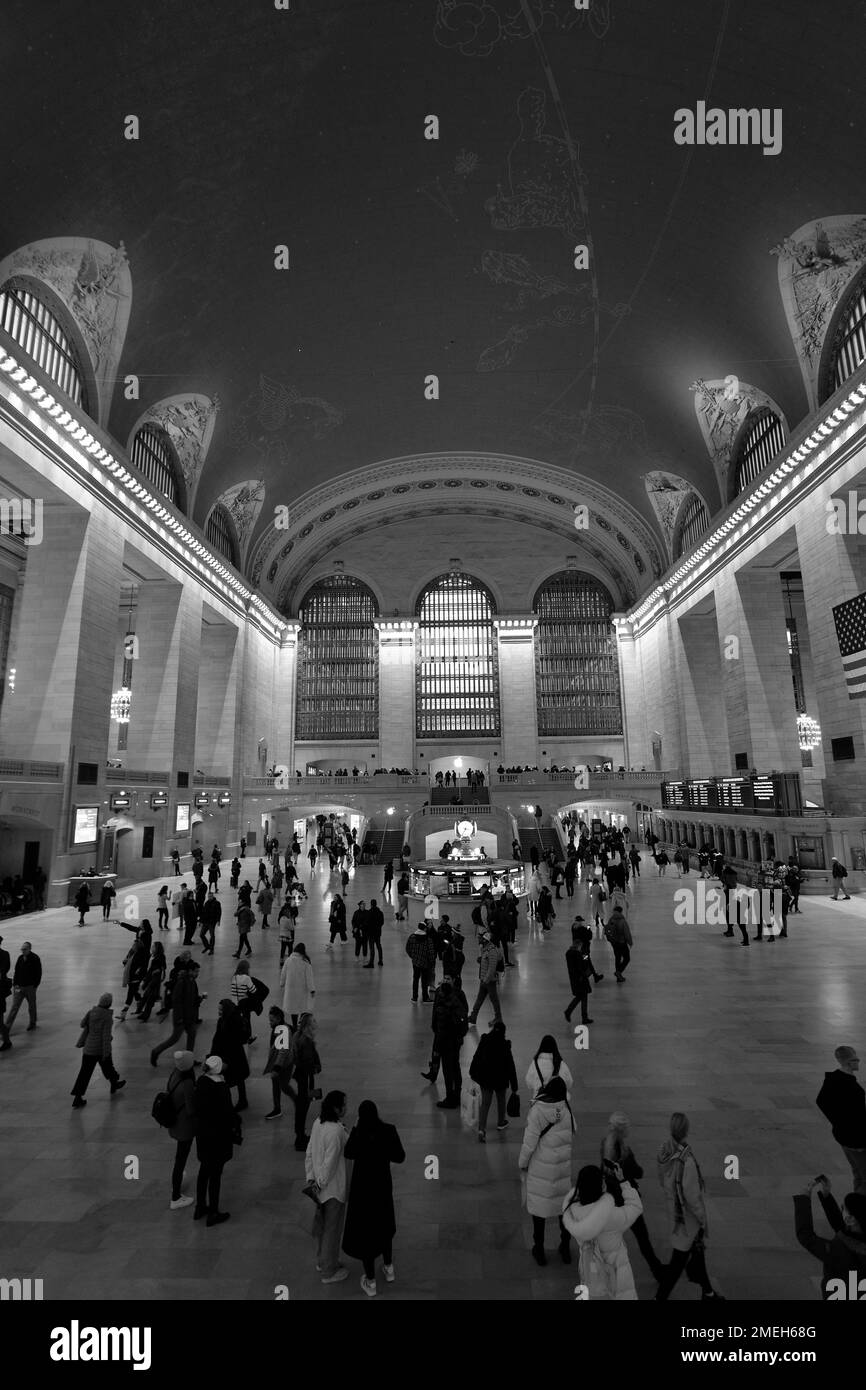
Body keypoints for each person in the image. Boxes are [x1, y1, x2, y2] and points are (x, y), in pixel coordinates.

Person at [656, 1112, 725, 1300]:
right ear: (686, 1131)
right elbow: (693, 1197)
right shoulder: (686, 1161)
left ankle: (708, 1293)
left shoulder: (665, 1151)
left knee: (697, 1254)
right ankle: (659, 1297)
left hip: (675, 1213)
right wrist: (702, 1219)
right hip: (687, 1220)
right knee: (678, 1263)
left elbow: (663, 1180)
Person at [342, 1100, 406, 1296]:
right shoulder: (388, 1130)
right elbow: (400, 1156)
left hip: (363, 1192)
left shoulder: (359, 1133)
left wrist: (354, 1129)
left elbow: (348, 1152)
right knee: (384, 1227)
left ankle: (370, 1281)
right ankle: (388, 1268)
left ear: (360, 1116)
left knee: (366, 1235)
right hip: (382, 1188)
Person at [561, 1163, 642, 1297]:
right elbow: (635, 1207)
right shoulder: (611, 1216)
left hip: (590, 1271)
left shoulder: (573, 1214)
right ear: (600, 1186)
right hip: (616, 1274)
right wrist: (623, 1182)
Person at [518, 1075, 575, 1264]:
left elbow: (529, 1143)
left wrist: (522, 1163)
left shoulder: (538, 1110)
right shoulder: (566, 1109)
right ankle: (565, 1248)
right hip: (561, 1170)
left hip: (541, 1169)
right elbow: (574, 1129)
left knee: (539, 1211)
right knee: (562, 1210)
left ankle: (539, 1250)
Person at [601, 1111, 664, 1281]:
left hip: (611, 1200)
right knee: (642, 1237)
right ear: (623, 1131)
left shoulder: (604, 1145)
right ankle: (657, 1269)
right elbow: (638, 1172)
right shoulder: (625, 1153)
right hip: (627, 1199)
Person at [793, 1175, 866, 1298]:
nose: (842, 1211)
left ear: (849, 1219)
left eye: (843, 1209)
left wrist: (803, 1200)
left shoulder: (838, 1250)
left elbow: (806, 1236)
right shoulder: (857, 1236)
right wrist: (826, 1196)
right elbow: (842, 1228)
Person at [305, 1090, 349, 1283]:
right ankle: (328, 1271)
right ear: (336, 1108)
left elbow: (310, 1151)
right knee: (333, 1229)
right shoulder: (336, 1131)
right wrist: (321, 1184)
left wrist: (311, 1179)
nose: (346, 1108)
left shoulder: (318, 1123)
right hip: (331, 1189)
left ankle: (323, 1260)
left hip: (318, 1186)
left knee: (323, 1226)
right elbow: (330, 1165)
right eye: (344, 1105)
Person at [194, 1056, 241, 1226]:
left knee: (204, 1171)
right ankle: (213, 1212)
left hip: (203, 1135)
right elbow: (228, 1113)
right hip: (218, 1137)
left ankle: (200, 1206)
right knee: (215, 1175)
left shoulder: (201, 1082)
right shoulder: (221, 1087)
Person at [816, 1046, 866, 1192]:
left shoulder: (833, 1079)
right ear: (849, 1062)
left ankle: (854, 1208)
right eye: (856, 1059)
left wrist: (838, 1122)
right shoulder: (851, 1087)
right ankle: (859, 1210)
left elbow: (821, 1101)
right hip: (857, 1139)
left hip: (842, 1135)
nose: (859, 1061)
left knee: (857, 1173)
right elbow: (858, 1116)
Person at [71, 992, 126, 1107]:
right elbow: (106, 1037)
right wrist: (106, 1052)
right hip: (99, 1049)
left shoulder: (91, 1012)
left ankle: (77, 1098)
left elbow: (82, 1024)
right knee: (108, 1066)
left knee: (84, 1073)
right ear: (109, 1004)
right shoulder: (107, 1017)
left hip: (88, 1048)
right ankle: (114, 1083)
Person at [422, 975, 469, 1107]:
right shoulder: (449, 998)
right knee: (453, 1067)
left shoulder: (450, 1002)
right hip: (451, 1039)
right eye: (445, 978)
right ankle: (455, 1095)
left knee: (449, 1069)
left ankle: (451, 1098)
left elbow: (442, 1024)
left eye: (449, 978)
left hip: (447, 1041)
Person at [469, 1018, 519, 1142]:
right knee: (501, 1100)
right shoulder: (505, 1044)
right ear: (503, 1032)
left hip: (485, 1078)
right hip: (500, 1079)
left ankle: (482, 1129)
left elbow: (477, 1057)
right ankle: (501, 1122)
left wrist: (472, 1072)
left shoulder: (485, 1040)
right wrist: (514, 1086)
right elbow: (510, 1066)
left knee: (485, 1104)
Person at [150, 960, 203, 1066]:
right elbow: (176, 1001)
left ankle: (189, 1059)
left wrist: (200, 999)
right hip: (181, 1017)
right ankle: (155, 1051)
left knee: (192, 1034)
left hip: (189, 1016)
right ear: (190, 971)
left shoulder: (193, 981)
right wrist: (179, 1018)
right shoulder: (182, 982)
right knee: (174, 1039)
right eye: (196, 971)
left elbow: (193, 999)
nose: (197, 974)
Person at [165, 1050, 197, 1209]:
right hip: (185, 1127)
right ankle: (176, 1197)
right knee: (180, 1159)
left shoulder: (174, 1074)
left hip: (175, 1123)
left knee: (179, 1157)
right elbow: (191, 1110)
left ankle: (177, 1180)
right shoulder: (187, 1083)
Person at [210, 999, 250, 1112]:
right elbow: (217, 1038)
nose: (219, 1011)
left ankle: (232, 1102)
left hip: (232, 1055)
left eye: (221, 1009)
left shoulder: (232, 1022)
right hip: (233, 1055)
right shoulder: (224, 1020)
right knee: (237, 1078)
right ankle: (241, 1100)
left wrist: (214, 1053)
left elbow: (221, 1039)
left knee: (230, 1079)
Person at [263, 1006, 296, 1120]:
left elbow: (283, 1051)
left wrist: (276, 1068)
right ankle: (277, 1108)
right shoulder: (279, 1027)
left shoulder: (283, 1030)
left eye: (271, 1020)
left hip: (284, 1065)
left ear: (279, 1018)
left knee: (284, 1086)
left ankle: (297, 1102)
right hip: (278, 1063)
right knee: (276, 1085)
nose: (269, 1022)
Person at [467, 930, 503, 1026]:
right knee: (479, 999)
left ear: (486, 940)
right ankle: (473, 1017)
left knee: (494, 1000)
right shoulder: (486, 949)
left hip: (489, 981)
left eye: (481, 939)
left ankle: (498, 1018)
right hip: (484, 980)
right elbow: (485, 964)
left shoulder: (492, 951)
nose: (479, 940)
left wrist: (486, 981)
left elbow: (491, 968)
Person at [6, 941, 42, 1033]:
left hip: (30, 987)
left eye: (25, 949)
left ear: (29, 949)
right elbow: (16, 971)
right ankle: (7, 1028)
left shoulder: (35, 958)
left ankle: (32, 1023)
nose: (22, 951)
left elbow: (38, 973)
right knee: (14, 1007)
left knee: (32, 1006)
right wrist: (15, 985)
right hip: (19, 987)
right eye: (22, 949)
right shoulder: (20, 958)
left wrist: (35, 985)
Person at [526, 1035, 574, 1100]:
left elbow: (529, 1083)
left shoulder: (535, 1064)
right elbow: (569, 1083)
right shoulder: (561, 1064)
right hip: (559, 1103)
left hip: (540, 1103)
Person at [116, 928, 150, 1020]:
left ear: (137, 946)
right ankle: (140, 1008)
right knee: (135, 993)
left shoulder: (139, 956)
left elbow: (140, 968)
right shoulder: (136, 954)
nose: (132, 946)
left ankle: (123, 1014)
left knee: (130, 995)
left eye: (134, 945)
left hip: (134, 979)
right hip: (133, 978)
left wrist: (137, 974)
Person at [281, 941, 315, 1028]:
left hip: (291, 989)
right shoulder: (305, 962)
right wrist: (312, 989)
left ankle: (295, 1025)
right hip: (302, 989)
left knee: (293, 1008)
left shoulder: (288, 960)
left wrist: (282, 983)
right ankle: (301, 1021)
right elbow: (309, 977)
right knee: (304, 1006)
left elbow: (283, 973)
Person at [564, 929, 594, 1026]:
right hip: (581, 979)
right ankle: (575, 1013)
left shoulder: (569, 954)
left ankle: (577, 1014)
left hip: (574, 979)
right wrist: (585, 957)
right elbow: (582, 965)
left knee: (581, 997)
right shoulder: (578, 955)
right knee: (582, 997)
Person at [405, 922, 436, 1002]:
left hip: (415, 962)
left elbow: (407, 948)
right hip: (425, 963)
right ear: (425, 928)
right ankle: (425, 997)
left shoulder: (412, 937)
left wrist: (413, 957)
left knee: (415, 979)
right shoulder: (428, 939)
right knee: (424, 981)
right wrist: (431, 961)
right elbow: (431, 952)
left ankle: (414, 997)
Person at [604, 905, 633, 982]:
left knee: (618, 958)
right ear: (621, 912)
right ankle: (618, 972)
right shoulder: (622, 921)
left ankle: (618, 978)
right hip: (622, 943)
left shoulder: (611, 919)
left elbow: (608, 930)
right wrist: (630, 942)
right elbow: (627, 933)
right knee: (627, 958)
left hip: (614, 943)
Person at [0, 934, 11, 1051]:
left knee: (0, 1022)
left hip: (0, 992)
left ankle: (7, 1041)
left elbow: (3, 972)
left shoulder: (4, 954)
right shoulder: (4, 954)